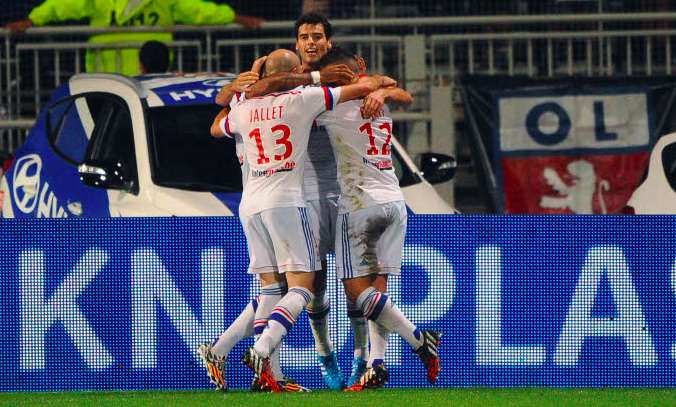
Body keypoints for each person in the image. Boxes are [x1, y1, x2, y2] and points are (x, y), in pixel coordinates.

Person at [221, 48, 392, 393]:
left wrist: (244, 86)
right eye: (304, 37)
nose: (310, 42)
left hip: (252, 203)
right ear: (297, 65)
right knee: (304, 286)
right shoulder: (305, 98)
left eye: (316, 36)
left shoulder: (242, 108)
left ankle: (248, 364)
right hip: (291, 200)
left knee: (272, 290)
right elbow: (362, 89)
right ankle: (268, 350)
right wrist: (375, 85)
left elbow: (217, 123)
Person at [314, 47, 441, 391]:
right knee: (379, 291)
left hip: (359, 205)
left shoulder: (330, 105)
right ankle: (377, 364)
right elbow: (401, 91)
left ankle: (419, 339)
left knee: (359, 295)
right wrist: (382, 87)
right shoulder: (377, 99)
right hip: (394, 203)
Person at [5, 0, 263, 76]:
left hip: (151, 78)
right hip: (105, 75)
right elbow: (64, 6)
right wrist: (33, 20)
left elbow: (198, 10)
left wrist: (233, 16)